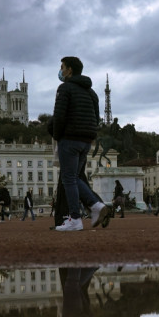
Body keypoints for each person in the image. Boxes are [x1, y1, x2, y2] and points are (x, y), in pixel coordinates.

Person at [51, 56, 111, 232]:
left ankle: (75, 219)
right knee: (75, 177)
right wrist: (91, 136)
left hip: (69, 138)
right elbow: (96, 117)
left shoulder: (65, 88)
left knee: (68, 178)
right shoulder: (91, 93)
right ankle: (96, 206)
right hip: (86, 141)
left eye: (62, 67)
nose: (61, 71)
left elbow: (59, 116)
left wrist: (57, 136)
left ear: (69, 70)